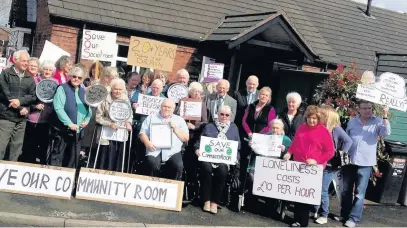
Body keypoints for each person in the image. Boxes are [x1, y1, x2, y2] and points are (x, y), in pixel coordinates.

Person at [283, 105, 335, 227]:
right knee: (297, 193)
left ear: (319, 119)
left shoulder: (323, 131)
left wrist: (316, 161)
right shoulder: (302, 128)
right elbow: (295, 143)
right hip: (298, 165)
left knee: (306, 195)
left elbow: (330, 151)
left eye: (314, 118)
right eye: (310, 118)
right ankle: (296, 219)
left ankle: (303, 222)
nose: (312, 120)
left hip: (312, 168)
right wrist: (289, 153)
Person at [341, 101, 390, 228]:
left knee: (359, 193)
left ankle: (354, 219)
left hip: (365, 162)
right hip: (349, 161)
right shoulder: (352, 121)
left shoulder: (378, 121)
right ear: (359, 109)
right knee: (346, 191)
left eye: (370, 108)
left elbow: (386, 133)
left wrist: (385, 115)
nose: (368, 110)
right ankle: (345, 215)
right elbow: (347, 137)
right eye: (365, 108)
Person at [194, 105, 240, 214]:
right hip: (208, 158)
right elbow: (198, 142)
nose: (224, 117)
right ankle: (206, 200)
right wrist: (197, 150)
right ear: (218, 114)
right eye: (222, 114)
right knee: (206, 168)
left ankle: (215, 201)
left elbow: (238, 147)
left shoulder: (234, 128)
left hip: (224, 160)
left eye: (227, 115)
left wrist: (236, 158)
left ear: (230, 116)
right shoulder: (209, 126)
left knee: (222, 170)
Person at [314, 106, 352, 225]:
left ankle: (324, 214)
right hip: (318, 161)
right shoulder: (320, 128)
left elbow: (348, 141)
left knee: (322, 190)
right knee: (315, 187)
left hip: (331, 164)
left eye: (324, 115)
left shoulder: (336, 129)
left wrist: (342, 153)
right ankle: (315, 209)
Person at [49, 65, 92, 168]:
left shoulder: (83, 91)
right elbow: (58, 108)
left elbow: (86, 109)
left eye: (79, 78)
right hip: (62, 130)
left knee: (72, 159)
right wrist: (69, 123)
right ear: (70, 76)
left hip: (77, 132)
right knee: (57, 156)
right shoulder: (62, 88)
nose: (76, 79)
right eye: (74, 76)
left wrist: (86, 120)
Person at [139, 98, 189, 180]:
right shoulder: (151, 117)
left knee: (178, 166)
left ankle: (173, 189)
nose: (166, 109)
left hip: (173, 151)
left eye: (169, 107)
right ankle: (151, 187)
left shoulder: (179, 120)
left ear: (173, 109)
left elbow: (186, 138)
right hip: (154, 149)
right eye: (164, 106)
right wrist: (147, 142)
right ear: (161, 107)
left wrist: (176, 129)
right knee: (151, 164)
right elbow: (142, 133)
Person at [0, 50, 36, 161]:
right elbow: (5, 93)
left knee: (16, 148)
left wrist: (23, 105)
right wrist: (20, 107)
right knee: (1, 147)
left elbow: (32, 96)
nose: (26, 63)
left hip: (21, 119)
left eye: (27, 61)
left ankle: (11, 171)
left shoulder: (30, 78)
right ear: (15, 60)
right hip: (6, 116)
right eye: (24, 61)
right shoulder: (6, 74)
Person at [21, 60, 58, 164]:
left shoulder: (55, 83)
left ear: (53, 72)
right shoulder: (34, 80)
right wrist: (35, 106)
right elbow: (26, 99)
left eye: (50, 70)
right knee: (29, 146)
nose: (47, 71)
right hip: (32, 119)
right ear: (41, 69)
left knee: (43, 146)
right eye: (45, 69)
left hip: (47, 120)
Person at [95, 78, 133, 171]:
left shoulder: (125, 99)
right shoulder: (105, 99)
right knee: (105, 156)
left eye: (120, 89)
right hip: (106, 132)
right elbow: (98, 117)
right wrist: (109, 123)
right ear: (111, 88)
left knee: (117, 157)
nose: (118, 91)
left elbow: (129, 114)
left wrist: (128, 122)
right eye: (116, 89)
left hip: (120, 132)